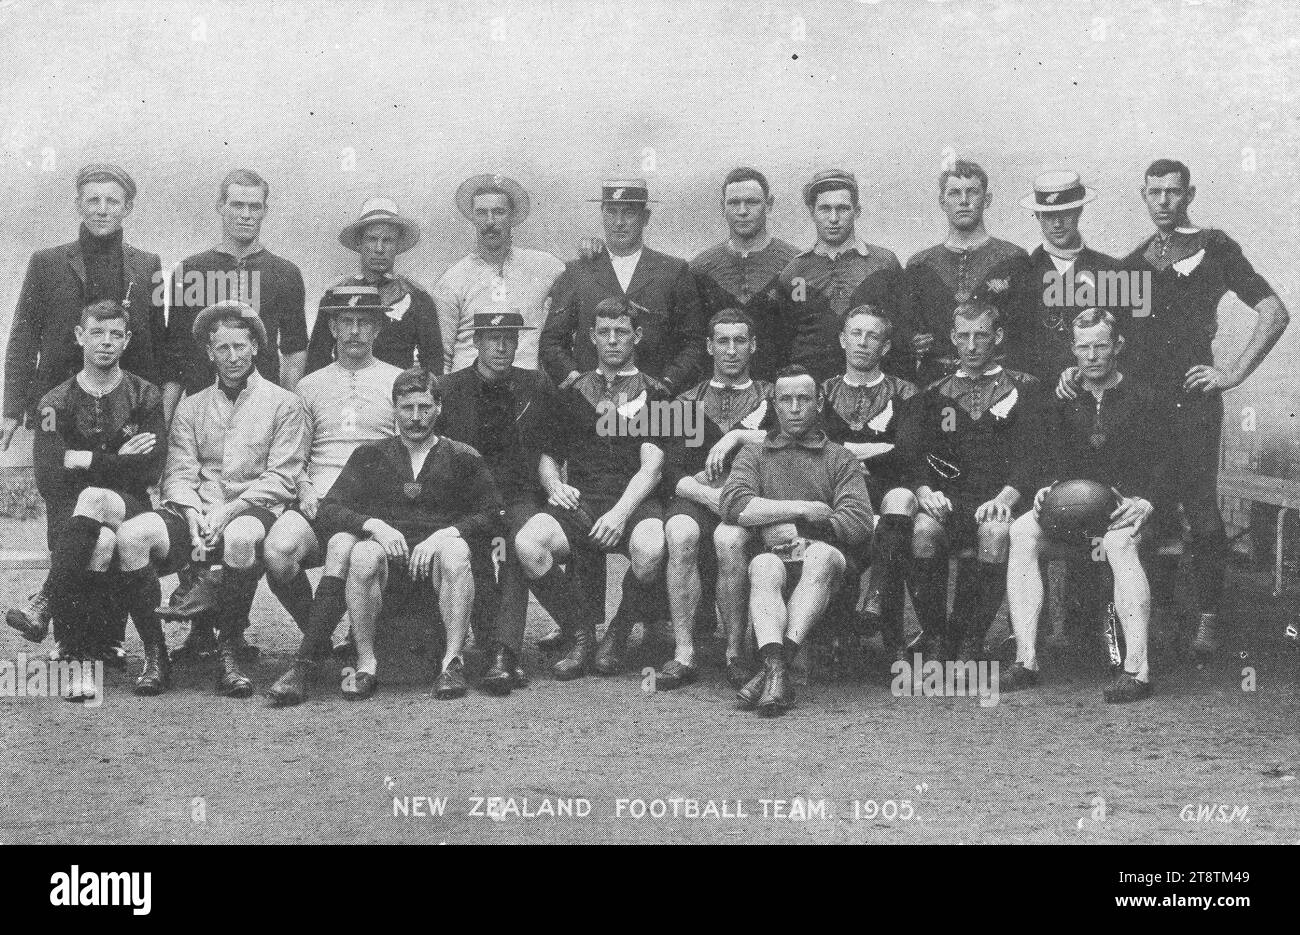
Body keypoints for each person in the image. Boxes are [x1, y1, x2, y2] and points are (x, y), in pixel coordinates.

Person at [1060, 159, 1288, 658]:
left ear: (1189, 194)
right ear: (1144, 196)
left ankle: (1208, 618)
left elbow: (1274, 311)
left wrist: (1231, 374)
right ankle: (1158, 616)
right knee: (1145, 502)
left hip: (1193, 401)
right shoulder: (1132, 263)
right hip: (1142, 403)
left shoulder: (1215, 246)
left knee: (1200, 503)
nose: (1163, 200)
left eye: (1173, 192)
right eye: (1155, 192)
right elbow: (1100, 329)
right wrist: (1074, 369)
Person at [3, 164, 166, 649]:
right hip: (60, 408)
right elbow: (22, 334)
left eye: (112, 200)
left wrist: (156, 411)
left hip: (125, 408)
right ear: (79, 203)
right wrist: (13, 407)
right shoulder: (47, 262)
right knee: (67, 511)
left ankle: (111, 638)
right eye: (92, 199)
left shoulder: (147, 264)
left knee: (120, 522)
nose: (101, 209)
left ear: (127, 208)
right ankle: (70, 638)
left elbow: (154, 342)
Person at [114, 301, 307, 697]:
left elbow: (283, 475)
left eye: (240, 346)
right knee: (132, 536)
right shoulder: (191, 406)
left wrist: (230, 509)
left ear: (255, 346)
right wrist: (190, 514)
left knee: (239, 537)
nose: (232, 357)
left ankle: (229, 650)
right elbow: (179, 473)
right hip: (195, 511)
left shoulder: (283, 403)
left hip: (252, 507)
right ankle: (156, 654)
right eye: (222, 348)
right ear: (209, 352)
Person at [305, 367, 505, 700]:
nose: (416, 418)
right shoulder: (371, 456)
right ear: (394, 409)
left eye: (425, 408)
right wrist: (375, 526)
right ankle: (366, 663)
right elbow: (329, 510)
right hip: (390, 575)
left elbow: (493, 515)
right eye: (407, 408)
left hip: (440, 575)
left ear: (439, 408)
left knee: (456, 551)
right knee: (363, 552)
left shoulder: (462, 457)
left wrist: (447, 534)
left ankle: (451, 663)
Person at [1003, 309, 1169, 702]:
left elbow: (1167, 461)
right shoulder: (1060, 396)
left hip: (1125, 508)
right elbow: (1042, 454)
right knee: (1021, 531)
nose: (1092, 356)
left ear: (1118, 347)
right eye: (1084, 347)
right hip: (1073, 509)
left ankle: (1137, 671)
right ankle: (1025, 660)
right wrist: (1046, 487)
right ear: (1072, 350)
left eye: (1101, 346)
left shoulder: (1145, 398)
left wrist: (1147, 500)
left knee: (1118, 544)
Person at [7, 300, 166, 699]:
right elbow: (50, 474)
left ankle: (46, 601)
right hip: (69, 511)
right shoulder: (53, 402)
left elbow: (149, 468)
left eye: (116, 334)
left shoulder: (144, 395)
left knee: (98, 504)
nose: (106, 343)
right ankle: (82, 663)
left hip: (129, 505)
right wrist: (116, 459)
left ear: (127, 340)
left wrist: (83, 461)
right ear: (80, 336)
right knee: (100, 540)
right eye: (97, 332)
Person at [515, 297, 670, 681]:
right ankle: (581, 633)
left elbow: (652, 467)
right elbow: (548, 455)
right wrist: (553, 485)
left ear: (637, 336)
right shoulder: (570, 392)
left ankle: (618, 631)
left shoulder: (656, 393)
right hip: (582, 501)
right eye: (605, 333)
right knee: (527, 543)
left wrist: (620, 514)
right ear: (591, 337)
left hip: (635, 502)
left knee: (650, 549)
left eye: (621, 332)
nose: (613, 340)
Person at [262, 285, 401, 705]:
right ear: (333, 326)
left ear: (377, 328)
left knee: (346, 551)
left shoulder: (396, 380)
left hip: (371, 501)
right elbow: (294, 456)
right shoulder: (308, 386)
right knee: (277, 552)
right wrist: (303, 488)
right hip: (318, 496)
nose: (355, 331)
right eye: (346, 322)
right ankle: (319, 639)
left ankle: (311, 658)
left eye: (364, 323)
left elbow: (407, 452)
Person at [719, 365, 875, 716]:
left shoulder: (838, 457)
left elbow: (859, 520)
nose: (793, 408)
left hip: (828, 571)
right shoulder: (754, 455)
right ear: (773, 404)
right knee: (761, 564)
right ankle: (777, 672)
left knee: (819, 555)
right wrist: (803, 510)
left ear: (819, 403)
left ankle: (771, 670)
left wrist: (804, 535)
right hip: (775, 561)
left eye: (803, 399)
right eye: (785, 399)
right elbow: (734, 504)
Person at [894, 298, 1045, 660]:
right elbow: (913, 453)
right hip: (948, 498)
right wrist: (926, 491)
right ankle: (936, 635)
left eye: (981, 335)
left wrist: (1005, 499)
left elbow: (1032, 455)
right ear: (952, 338)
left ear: (998, 336)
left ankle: (970, 637)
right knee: (923, 533)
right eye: (964, 336)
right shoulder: (933, 394)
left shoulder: (1026, 389)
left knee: (993, 533)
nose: (972, 345)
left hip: (1003, 497)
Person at [434, 311, 560, 695]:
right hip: (470, 499)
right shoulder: (450, 389)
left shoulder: (535, 384)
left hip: (519, 495)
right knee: (476, 559)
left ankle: (505, 653)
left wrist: (553, 484)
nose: (501, 347)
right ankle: (490, 644)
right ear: (476, 342)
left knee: (513, 553)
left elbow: (550, 447)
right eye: (492, 339)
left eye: (508, 338)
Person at [658, 309, 775, 690]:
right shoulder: (686, 401)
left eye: (740, 341)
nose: (731, 350)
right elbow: (672, 473)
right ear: (709, 347)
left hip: (752, 501)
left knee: (729, 541)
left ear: (753, 346)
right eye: (722, 341)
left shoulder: (772, 397)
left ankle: (735, 650)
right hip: (698, 495)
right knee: (678, 531)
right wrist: (711, 496)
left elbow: (790, 443)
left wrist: (739, 436)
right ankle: (684, 651)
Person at [161, 168, 308, 421]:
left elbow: (294, 351)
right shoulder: (189, 270)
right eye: (237, 205)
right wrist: (165, 420)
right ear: (221, 206)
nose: (246, 215)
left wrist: (285, 411)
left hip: (261, 410)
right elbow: (176, 353)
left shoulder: (285, 272)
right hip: (204, 410)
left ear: (265, 211)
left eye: (255, 207)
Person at [819, 305, 919, 665]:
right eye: (856, 334)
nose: (863, 342)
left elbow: (908, 449)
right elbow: (816, 447)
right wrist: (874, 449)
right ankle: (838, 634)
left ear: (886, 346)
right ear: (843, 340)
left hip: (887, 488)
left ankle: (881, 613)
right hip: (836, 491)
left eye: (872, 335)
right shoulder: (822, 391)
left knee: (900, 500)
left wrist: (842, 448)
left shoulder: (905, 391)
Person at [539, 179, 705, 394]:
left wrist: (666, 384)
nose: (619, 222)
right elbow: (551, 342)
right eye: (611, 212)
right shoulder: (577, 272)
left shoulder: (672, 271)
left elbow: (694, 343)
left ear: (645, 217)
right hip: (591, 403)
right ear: (602, 213)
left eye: (628, 212)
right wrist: (577, 381)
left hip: (652, 404)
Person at [901, 159, 1030, 385]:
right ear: (942, 202)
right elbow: (907, 332)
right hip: (937, 382)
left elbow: (1025, 332)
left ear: (986, 200)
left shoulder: (1014, 259)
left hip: (998, 381)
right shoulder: (919, 266)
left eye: (972, 192)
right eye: (954, 193)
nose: (963, 201)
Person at [776, 169, 905, 384]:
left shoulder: (884, 264)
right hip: (812, 389)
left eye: (842, 209)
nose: (834, 218)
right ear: (812, 212)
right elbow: (785, 341)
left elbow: (901, 338)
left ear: (857, 211)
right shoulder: (794, 272)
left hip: (872, 387)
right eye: (825, 209)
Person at [433, 174, 565, 371]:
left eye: (498, 212)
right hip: (470, 390)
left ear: (512, 216)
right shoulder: (452, 281)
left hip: (526, 389)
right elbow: (442, 357)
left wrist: (592, 253)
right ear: (472, 218)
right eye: (481, 213)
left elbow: (579, 286)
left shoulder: (545, 267)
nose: (490, 222)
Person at [1007, 170, 1123, 384]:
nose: (1057, 224)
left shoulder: (1112, 271)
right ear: (1038, 216)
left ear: (1079, 210)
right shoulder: (1019, 273)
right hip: (1039, 396)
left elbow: (1123, 343)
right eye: (1049, 215)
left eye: (1065, 213)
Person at [305, 198, 443, 374]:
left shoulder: (417, 298)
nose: (379, 248)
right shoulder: (336, 295)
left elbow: (433, 362)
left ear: (398, 245)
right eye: (372, 239)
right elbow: (317, 359)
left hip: (396, 394)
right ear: (359, 243)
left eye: (388, 240)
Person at [690, 167, 799, 381]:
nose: (742, 211)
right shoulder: (700, 268)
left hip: (779, 386)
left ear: (769, 205)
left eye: (752, 202)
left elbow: (804, 330)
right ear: (723, 207)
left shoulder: (795, 266)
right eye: (733, 203)